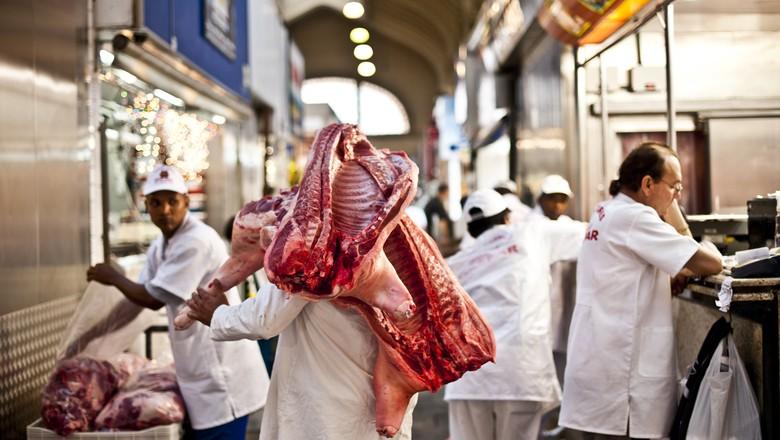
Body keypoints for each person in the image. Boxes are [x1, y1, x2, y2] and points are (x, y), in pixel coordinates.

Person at [85, 164, 268, 438]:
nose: (165, 210)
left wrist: (112, 276)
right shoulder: (161, 245)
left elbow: (151, 299)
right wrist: (94, 337)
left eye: (173, 201)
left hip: (222, 379)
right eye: (157, 203)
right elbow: (137, 298)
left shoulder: (196, 240)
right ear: (146, 205)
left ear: (186, 201)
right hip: (198, 374)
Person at [559, 142, 722, 439]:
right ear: (647, 183)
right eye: (675, 186)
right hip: (623, 380)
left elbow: (626, 271)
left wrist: (660, 277)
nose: (677, 196)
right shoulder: (635, 216)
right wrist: (682, 224)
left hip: (602, 367)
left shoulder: (607, 210)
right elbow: (710, 262)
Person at [183, 279, 418, 440]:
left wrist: (218, 314)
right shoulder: (400, 232)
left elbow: (265, 319)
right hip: (380, 405)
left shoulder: (317, 236)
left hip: (329, 411)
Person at [444, 189, 586, 440]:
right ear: (508, 217)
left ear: (471, 230)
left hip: (469, 379)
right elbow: (593, 233)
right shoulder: (532, 233)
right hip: (521, 372)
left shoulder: (454, 265)